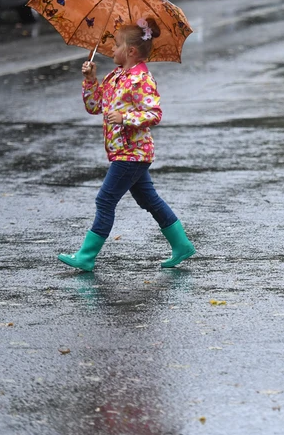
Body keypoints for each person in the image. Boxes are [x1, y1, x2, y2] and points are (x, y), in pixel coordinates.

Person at [57, 17, 196, 271]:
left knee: (105, 200)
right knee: (149, 200)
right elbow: (94, 106)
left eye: (117, 44)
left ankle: (86, 256)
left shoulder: (141, 80)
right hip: (122, 152)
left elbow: (154, 114)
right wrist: (91, 80)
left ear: (131, 51)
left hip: (132, 153)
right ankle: (182, 245)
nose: (112, 49)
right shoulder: (114, 77)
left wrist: (125, 118)